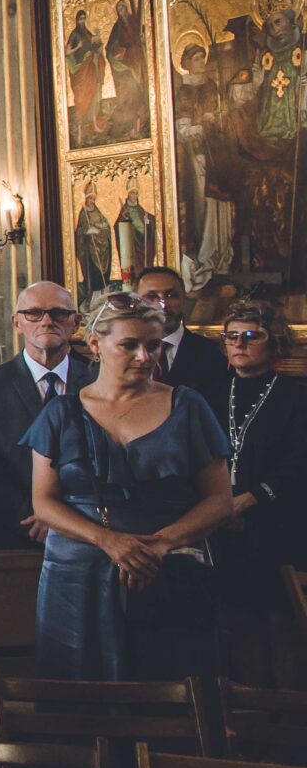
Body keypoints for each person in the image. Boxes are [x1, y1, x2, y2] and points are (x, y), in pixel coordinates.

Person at [25, 291, 234, 681]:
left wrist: (159, 544)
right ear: (95, 344)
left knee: (171, 687)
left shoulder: (188, 406)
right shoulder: (60, 412)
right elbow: (44, 502)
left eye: (153, 345)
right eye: (129, 345)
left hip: (165, 569)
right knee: (80, 691)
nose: (144, 356)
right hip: (78, 574)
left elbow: (220, 500)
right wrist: (108, 541)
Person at [0, 282, 91, 549]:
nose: (47, 321)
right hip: (14, 532)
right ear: (17, 323)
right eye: (34, 313)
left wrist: (69, 520)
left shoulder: (96, 381)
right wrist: (39, 516)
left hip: (88, 529)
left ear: (75, 323)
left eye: (58, 313)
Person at [214, 299, 307, 680]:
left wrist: (250, 499)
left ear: (275, 342)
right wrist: (222, 505)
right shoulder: (210, 392)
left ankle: (284, 706)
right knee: (235, 621)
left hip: (278, 522)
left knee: (279, 620)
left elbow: (299, 461)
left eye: (253, 335)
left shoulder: (295, 395)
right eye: (232, 336)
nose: (240, 343)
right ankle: (245, 703)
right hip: (220, 523)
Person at [133, 266, 231, 397]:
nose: (162, 305)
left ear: (184, 300)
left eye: (171, 295)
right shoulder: (122, 353)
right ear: (136, 303)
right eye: (151, 297)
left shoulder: (214, 354)